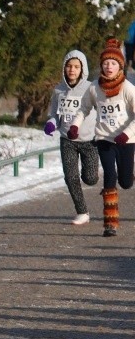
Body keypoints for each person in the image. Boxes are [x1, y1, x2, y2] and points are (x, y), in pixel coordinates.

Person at [69, 37, 135, 237]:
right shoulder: (94, 88)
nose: (109, 67)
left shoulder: (127, 88)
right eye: (105, 63)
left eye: (113, 63)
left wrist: (127, 133)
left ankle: (130, 174)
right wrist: (75, 125)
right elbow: (83, 108)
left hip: (126, 140)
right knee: (109, 175)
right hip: (105, 139)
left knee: (125, 181)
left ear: (120, 66)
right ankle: (110, 223)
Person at [43, 50, 99, 225]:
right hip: (67, 140)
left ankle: (89, 174)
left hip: (89, 140)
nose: (72, 70)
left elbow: (101, 110)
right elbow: (54, 114)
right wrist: (51, 123)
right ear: (64, 68)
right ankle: (82, 212)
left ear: (83, 69)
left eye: (76, 66)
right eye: (69, 66)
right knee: (70, 176)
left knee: (90, 178)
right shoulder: (59, 90)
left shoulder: (91, 88)